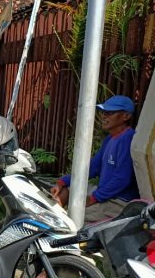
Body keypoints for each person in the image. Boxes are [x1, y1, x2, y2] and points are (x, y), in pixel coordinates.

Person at [50, 95, 140, 223]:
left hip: (118, 202)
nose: (104, 116)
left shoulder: (127, 139)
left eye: (110, 113)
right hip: (106, 198)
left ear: (126, 116)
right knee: (63, 193)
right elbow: (92, 168)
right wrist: (62, 182)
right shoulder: (110, 139)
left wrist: (94, 198)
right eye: (104, 112)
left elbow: (122, 179)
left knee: (73, 218)